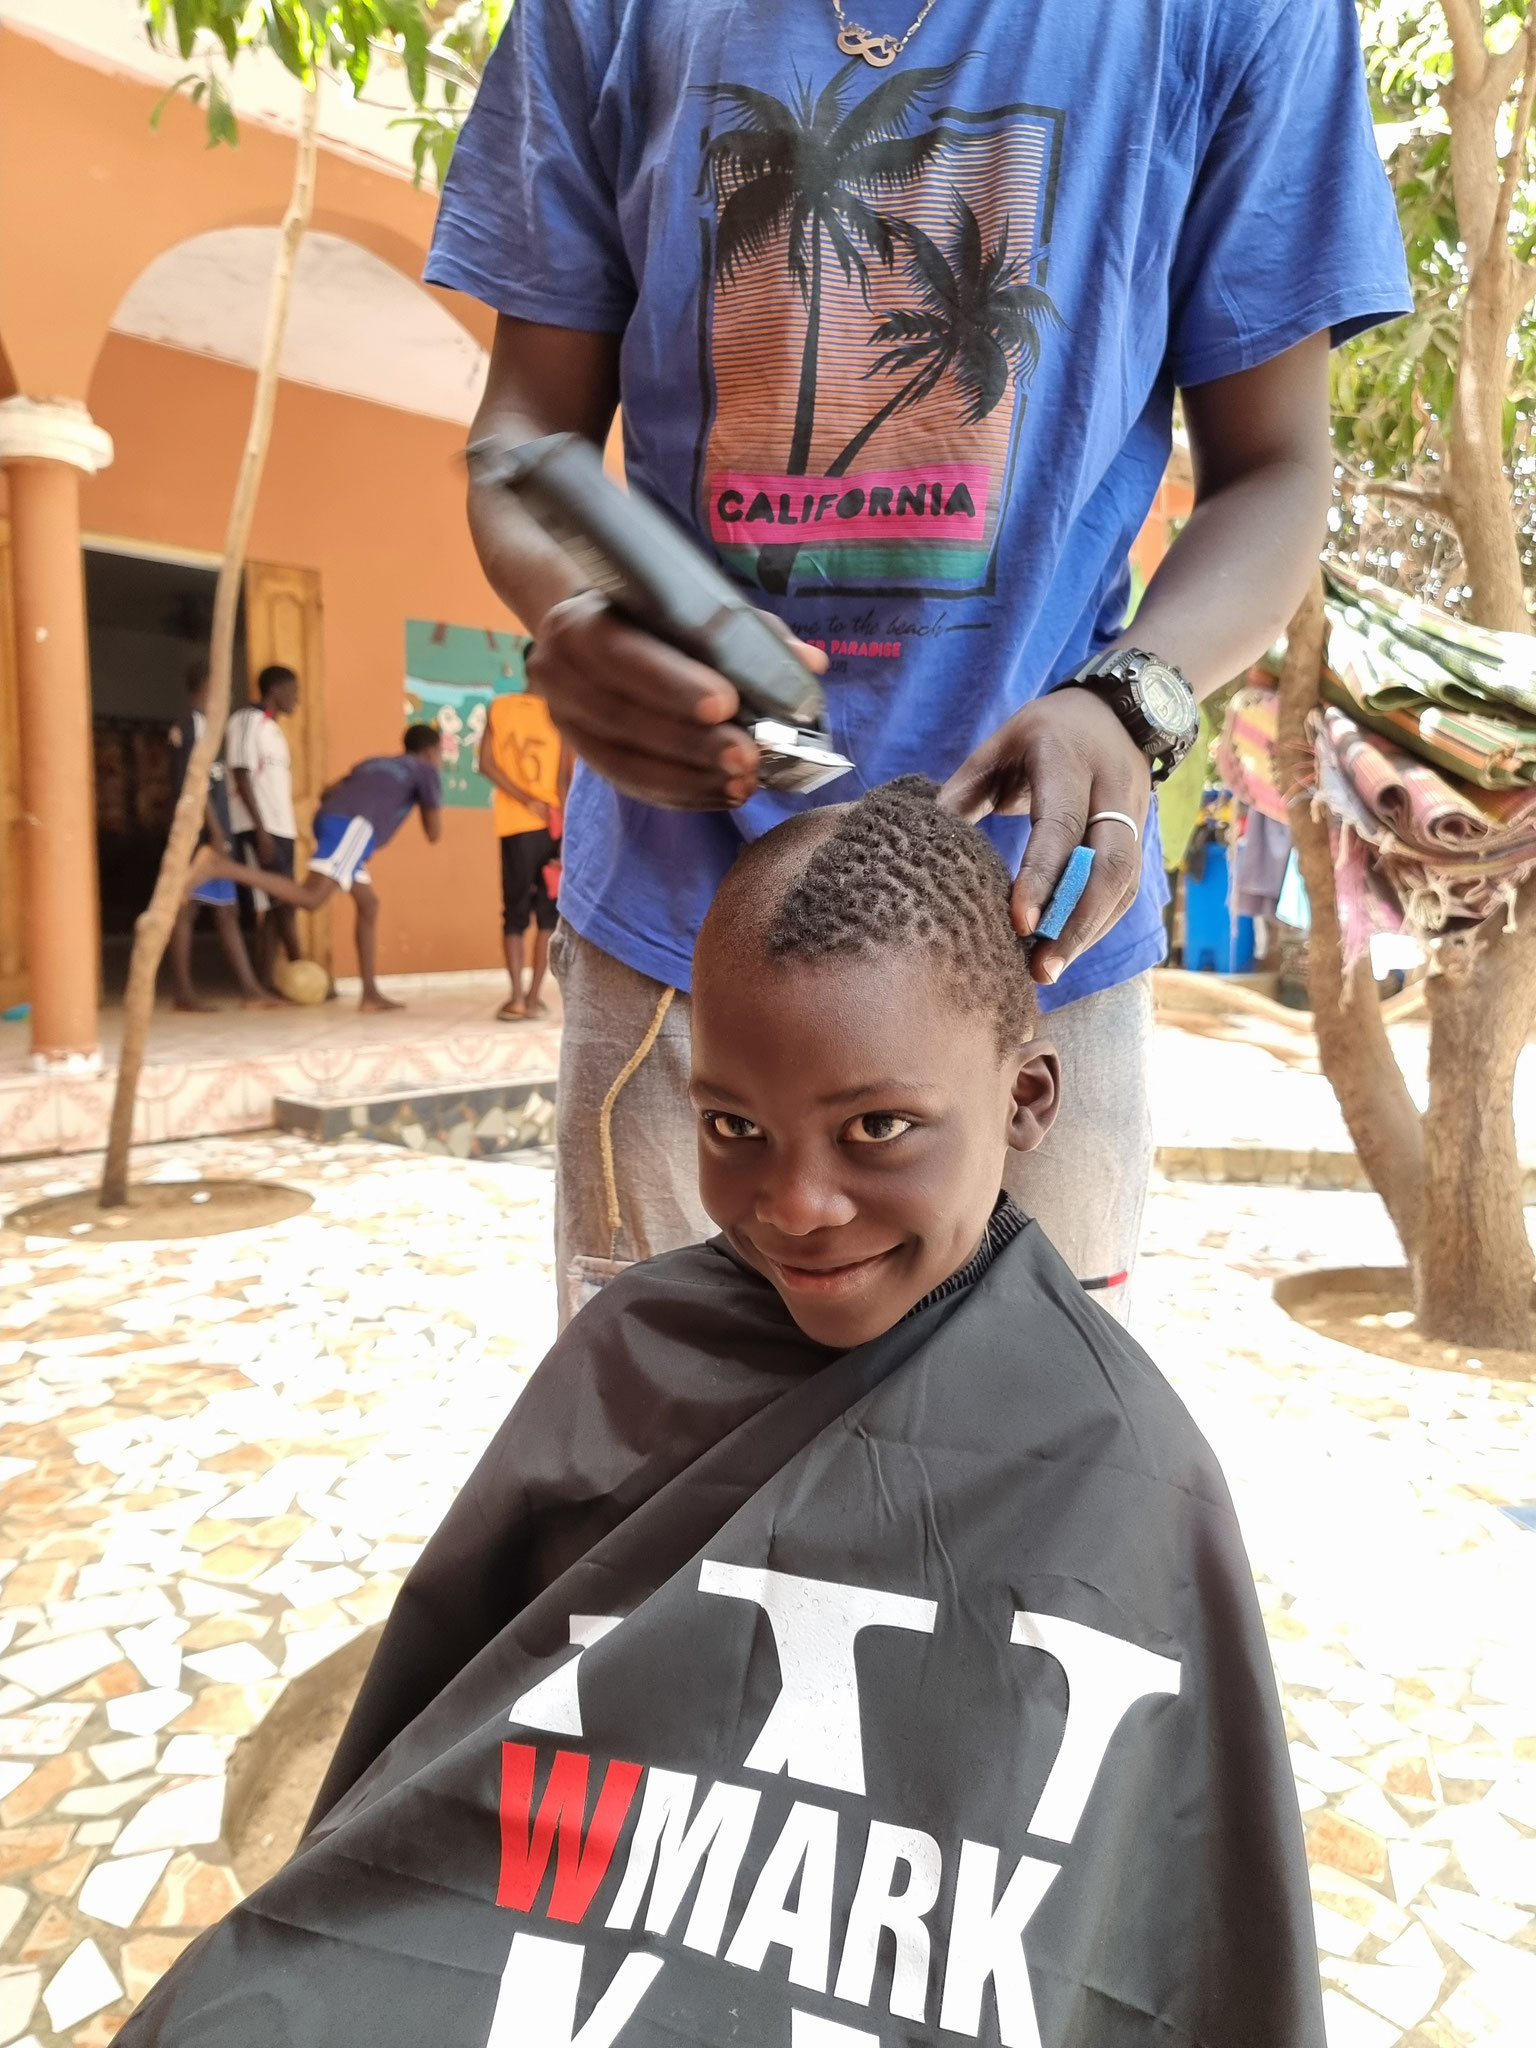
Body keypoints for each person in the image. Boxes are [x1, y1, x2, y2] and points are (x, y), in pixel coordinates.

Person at [121, 782, 1323, 2048]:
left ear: (1025, 1097)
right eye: (733, 1125)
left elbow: (1152, 1938)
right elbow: (434, 1765)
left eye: (878, 1126)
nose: (796, 1203)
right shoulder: (633, 1352)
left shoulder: (1123, 1460)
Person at [428, 0, 1413, 1325]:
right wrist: (577, 608)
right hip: (676, 946)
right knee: (667, 1443)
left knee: (1029, 1443)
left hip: (1038, 951)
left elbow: (1277, 470)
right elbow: (523, 437)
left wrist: (1132, 699)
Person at [189, 725, 443, 1013]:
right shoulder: (426, 770)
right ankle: (220, 866)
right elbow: (434, 833)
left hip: (329, 819)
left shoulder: (376, 762)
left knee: (368, 904)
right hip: (355, 827)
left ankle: (370, 994)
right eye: (440, 755)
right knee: (311, 898)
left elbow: (327, 792)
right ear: (431, 751)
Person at [165, 661, 270, 1012]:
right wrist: (216, 831)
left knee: (224, 910)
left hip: (210, 831)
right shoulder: (194, 724)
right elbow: (194, 783)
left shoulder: (204, 725)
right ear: (207, 685)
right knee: (189, 909)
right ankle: (185, 992)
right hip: (201, 834)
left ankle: (250, 988)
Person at [476, 669, 570, 1021]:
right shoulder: (561, 715)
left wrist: (523, 798)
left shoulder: (499, 708)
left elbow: (485, 764)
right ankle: (532, 999)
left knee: (514, 913)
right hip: (553, 827)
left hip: (515, 827)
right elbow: (563, 782)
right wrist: (566, 838)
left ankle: (515, 998)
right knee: (548, 915)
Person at [226, 663, 304, 993]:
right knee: (283, 902)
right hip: (259, 828)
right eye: (293, 691)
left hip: (282, 828)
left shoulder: (275, 731)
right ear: (275, 690)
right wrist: (260, 830)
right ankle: (304, 966)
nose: (297, 698)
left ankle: (267, 981)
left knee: (274, 907)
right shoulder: (247, 720)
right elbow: (241, 773)